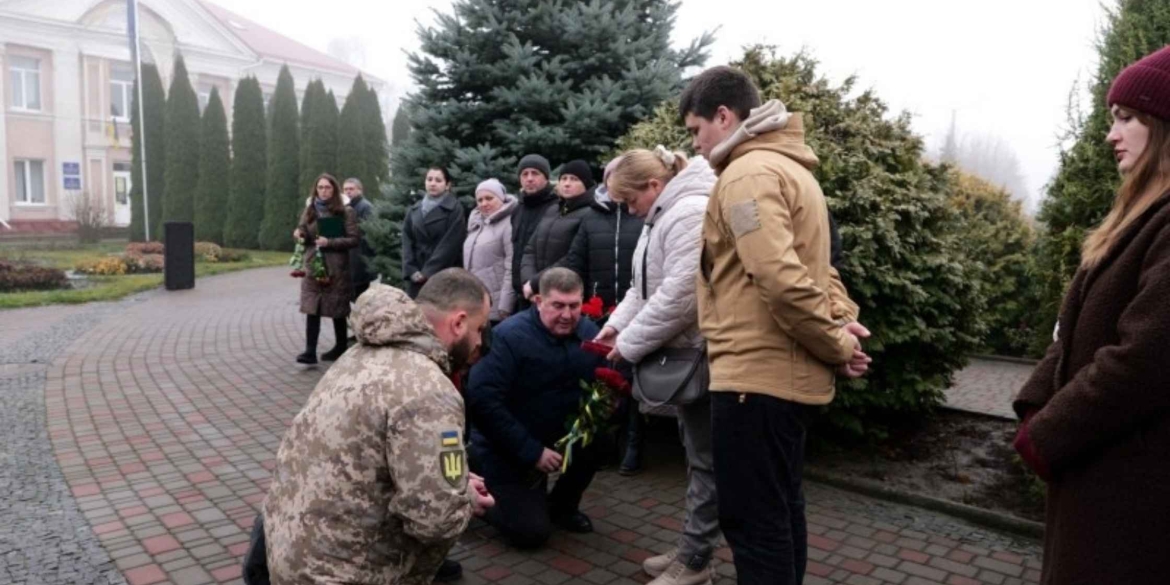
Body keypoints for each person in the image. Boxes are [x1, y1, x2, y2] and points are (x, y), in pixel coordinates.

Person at [681, 66, 871, 585]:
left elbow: (780, 276)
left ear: (724, 116)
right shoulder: (793, 171)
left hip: (753, 381)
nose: (695, 145)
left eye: (696, 130)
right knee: (782, 511)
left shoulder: (746, 177)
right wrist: (843, 323)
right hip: (778, 383)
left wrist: (835, 341)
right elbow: (820, 269)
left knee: (754, 522)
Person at [1012, 46, 1170, 585]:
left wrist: (1049, 434)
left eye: (1127, 118)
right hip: (1095, 469)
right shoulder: (1137, 215)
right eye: (1112, 118)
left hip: (1130, 487)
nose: (1111, 134)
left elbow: (1145, 357)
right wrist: (1036, 403)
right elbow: (1071, 326)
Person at [263, 271, 496, 585]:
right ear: (458, 323)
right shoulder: (429, 389)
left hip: (294, 554)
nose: (480, 341)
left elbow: (374, 461)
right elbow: (436, 519)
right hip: (345, 573)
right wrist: (464, 496)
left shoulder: (359, 354)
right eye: (480, 329)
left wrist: (454, 481)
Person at [595, 147, 719, 585]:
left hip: (703, 356)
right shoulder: (662, 215)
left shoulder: (686, 213)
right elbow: (642, 288)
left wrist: (628, 344)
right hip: (689, 352)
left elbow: (681, 297)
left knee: (706, 462)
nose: (629, 211)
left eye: (630, 201)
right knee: (698, 457)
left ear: (653, 185)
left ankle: (697, 560)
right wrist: (614, 328)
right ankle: (692, 548)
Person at [465, 268, 604, 548]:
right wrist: (532, 451)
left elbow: (603, 382)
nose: (567, 315)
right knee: (530, 534)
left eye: (574, 306)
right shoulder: (508, 337)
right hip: (506, 448)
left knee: (600, 440)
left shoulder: (590, 333)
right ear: (538, 301)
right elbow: (483, 400)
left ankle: (562, 507)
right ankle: (470, 499)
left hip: (556, 440)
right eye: (558, 305)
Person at [294, 174, 361, 365]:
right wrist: (299, 234)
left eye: (328, 188)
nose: (323, 191)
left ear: (335, 190)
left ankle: (341, 346)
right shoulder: (310, 209)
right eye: (320, 188)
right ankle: (309, 351)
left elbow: (354, 239)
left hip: (336, 268)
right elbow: (303, 231)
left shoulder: (345, 211)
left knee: (337, 308)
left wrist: (329, 242)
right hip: (314, 266)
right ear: (315, 189)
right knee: (311, 307)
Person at [520, 160, 605, 299]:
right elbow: (530, 249)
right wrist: (528, 281)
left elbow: (573, 257)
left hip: (567, 292)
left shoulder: (590, 214)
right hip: (538, 292)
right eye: (563, 178)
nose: (566, 183)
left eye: (574, 179)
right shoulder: (552, 210)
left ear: (586, 184)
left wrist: (536, 283)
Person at [403, 167, 467, 298]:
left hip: (443, 273)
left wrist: (428, 272)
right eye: (429, 179)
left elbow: (450, 244)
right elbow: (406, 240)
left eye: (438, 180)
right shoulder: (414, 210)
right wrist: (411, 269)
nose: (432, 183)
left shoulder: (454, 209)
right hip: (416, 274)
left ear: (447, 185)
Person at [463, 178, 518, 323]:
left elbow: (511, 265)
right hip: (477, 302)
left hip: (498, 306)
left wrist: (506, 304)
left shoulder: (508, 224)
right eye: (480, 200)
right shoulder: (476, 226)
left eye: (489, 198)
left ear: (500, 198)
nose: (484, 203)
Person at [510, 154, 559, 311]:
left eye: (535, 173)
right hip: (520, 293)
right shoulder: (518, 209)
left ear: (546, 178)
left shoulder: (556, 208)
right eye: (525, 174)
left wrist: (535, 282)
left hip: (544, 291)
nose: (529, 179)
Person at [344, 178, 376, 302]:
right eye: (345, 189)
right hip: (349, 260)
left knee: (360, 299)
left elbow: (369, 235)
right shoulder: (345, 207)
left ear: (360, 190)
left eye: (351, 189)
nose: (348, 192)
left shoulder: (366, 207)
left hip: (360, 261)